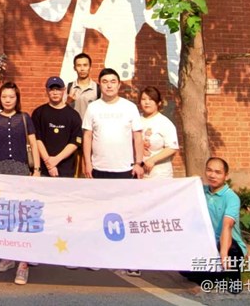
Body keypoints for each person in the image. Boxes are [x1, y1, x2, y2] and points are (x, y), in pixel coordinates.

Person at [82, 67, 143, 276]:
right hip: (99, 168)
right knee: (100, 213)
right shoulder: (93, 108)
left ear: (119, 84)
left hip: (125, 169)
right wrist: (87, 162)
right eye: (105, 81)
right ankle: (99, 255)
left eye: (113, 81)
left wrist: (139, 162)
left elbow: (137, 136)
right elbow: (87, 136)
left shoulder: (129, 107)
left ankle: (129, 258)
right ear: (100, 84)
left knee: (126, 214)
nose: (109, 85)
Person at [0, 82, 40, 285]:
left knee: (22, 215)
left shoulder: (25, 118)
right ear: (0, 98)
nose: (8, 100)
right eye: (4, 96)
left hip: (20, 170)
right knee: (5, 215)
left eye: (11, 96)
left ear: (17, 98)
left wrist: (36, 169)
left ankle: (23, 264)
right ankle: (8, 256)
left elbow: (33, 144)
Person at [181, 157, 247, 294]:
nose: (212, 175)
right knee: (184, 272)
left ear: (226, 176)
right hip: (206, 244)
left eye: (218, 172)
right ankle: (216, 275)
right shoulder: (201, 192)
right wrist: (192, 181)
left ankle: (235, 280)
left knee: (231, 248)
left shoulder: (231, 198)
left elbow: (227, 226)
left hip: (227, 246)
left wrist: (223, 254)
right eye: (209, 170)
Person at [32, 76, 82, 178]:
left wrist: (56, 160)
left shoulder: (73, 115)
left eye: (58, 89)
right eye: (52, 89)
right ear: (47, 91)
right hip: (44, 169)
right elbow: (37, 139)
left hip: (66, 170)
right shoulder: (39, 113)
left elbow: (74, 142)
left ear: (64, 90)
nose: (55, 93)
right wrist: (48, 163)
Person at [139, 86, 179, 179]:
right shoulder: (136, 120)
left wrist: (152, 160)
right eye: (143, 99)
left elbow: (172, 147)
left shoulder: (164, 123)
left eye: (151, 99)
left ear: (159, 102)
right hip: (139, 173)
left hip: (160, 174)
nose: (147, 102)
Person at [65, 53, 100, 120]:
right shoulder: (68, 87)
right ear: (74, 68)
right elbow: (60, 111)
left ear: (90, 67)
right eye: (79, 65)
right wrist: (68, 102)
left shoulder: (98, 89)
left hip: (91, 126)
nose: (82, 69)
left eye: (85, 65)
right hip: (73, 126)